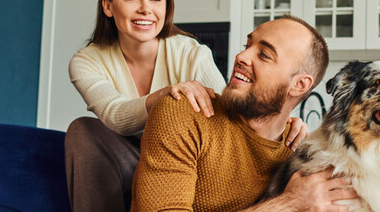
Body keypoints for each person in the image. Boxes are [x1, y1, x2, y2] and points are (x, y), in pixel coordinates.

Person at [64, 0, 308, 211]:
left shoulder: (191, 52)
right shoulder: (86, 61)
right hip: (129, 156)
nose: (146, 9)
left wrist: (280, 121)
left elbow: (229, 109)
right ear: (108, 6)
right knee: (82, 130)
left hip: (188, 158)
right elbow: (114, 115)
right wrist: (164, 95)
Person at [131, 15, 358, 211]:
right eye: (247, 45)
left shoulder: (299, 152)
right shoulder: (184, 113)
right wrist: (287, 204)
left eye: (264, 55)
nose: (241, 57)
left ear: (299, 85)